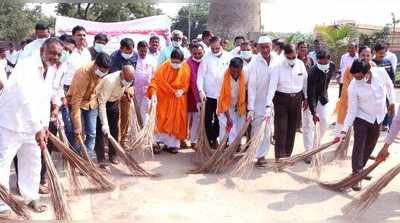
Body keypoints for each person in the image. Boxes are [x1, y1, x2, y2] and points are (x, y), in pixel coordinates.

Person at [0, 38, 64, 216]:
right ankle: (2, 202)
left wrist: (43, 125)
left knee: (33, 161)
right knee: (3, 163)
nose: (55, 57)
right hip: (12, 122)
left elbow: (44, 98)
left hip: (34, 124)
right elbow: (25, 98)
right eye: (52, 52)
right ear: (42, 50)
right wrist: (37, 127)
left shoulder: (50, 69)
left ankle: (30, 197)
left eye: (58, 54)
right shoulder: (26, 65)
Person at [337, 59, 395, 191]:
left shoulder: (380, 72)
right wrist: (343, 131)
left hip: (379, 117)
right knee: (359, 145)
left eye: (359, 76)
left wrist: (392, 102)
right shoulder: (353, 86)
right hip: (362, 117)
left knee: (371, 145)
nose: (357, 79)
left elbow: (390, 85)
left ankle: (360, 170)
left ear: (367, 72)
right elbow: (352, 111)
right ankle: (357, 174)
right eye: (355, 76)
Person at [266, 44, 308, 160]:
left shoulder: (300, 64)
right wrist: (268, 104)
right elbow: (272, 87)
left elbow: (305, 82)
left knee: (292, 128)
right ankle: (279, 157)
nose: (291, 59)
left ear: (296, 54)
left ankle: (287, 155)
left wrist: (306, 97)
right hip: (281, 100)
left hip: (296, 99)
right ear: (284, 55)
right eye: (289, 57)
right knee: (281, 129)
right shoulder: (278, 67)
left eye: (293, 57)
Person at [67, 53, 111, 160]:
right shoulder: (83, 74)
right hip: (78, 103)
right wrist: (77, 125)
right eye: (101, 71)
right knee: (77, 134)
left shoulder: (102, 72)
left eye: (106, 72)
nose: (103, 74)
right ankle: (76, 158)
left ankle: (88, 159)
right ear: (95, 65)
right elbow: (76, 101)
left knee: (92, 133)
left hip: (92, 103)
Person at [148, 48, 191, 154]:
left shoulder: (186, 68)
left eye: (177, 62)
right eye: (173, 61)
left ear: (182, 60)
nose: (174, 64)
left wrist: (182, 91)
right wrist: (153, 94)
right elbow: (155, 81)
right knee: (161, 120)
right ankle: (156, 143)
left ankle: (172, 145)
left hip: (178, 100)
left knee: (175, 121)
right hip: (164, 98)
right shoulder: (164, 67)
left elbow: (187, 84)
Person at [95, 65, 134, 168]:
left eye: (130, 80)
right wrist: (104, 124)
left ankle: (113, 155)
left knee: (114, 129)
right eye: (126, 79)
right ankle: (101, 158)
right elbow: (102, 103)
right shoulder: (110, 81)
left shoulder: (128, 79)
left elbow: (126, 86)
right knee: (100, 131)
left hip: (114, 102)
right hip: (101, 102)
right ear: (121, 74)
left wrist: (127, 91)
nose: (128, 81)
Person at [247, 36, 278, 166]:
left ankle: (262, 155)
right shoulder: (254, 63)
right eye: (262, 47)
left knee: (268, 129)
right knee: (257, 129)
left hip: (274, 101)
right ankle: (257, 154)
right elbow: (252, 87)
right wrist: (251, 107)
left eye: (267, 46)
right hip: (258, 102)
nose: (265, 50)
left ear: (271, 46)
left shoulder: (278, 60)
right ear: (258, 48)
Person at [197, 36, 232, 147]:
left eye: (217, 48)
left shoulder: (229, 57)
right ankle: (211, 140)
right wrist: (201, 90)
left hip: (223, 95)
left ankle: (217, 139)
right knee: (207, 120)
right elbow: (200, 76)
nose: (215, 50)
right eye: (213, 49)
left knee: (219, 120)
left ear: (221, 45)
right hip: (208, 95)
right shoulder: (206, 59)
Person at [302, 50, 335, 163]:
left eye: (326, 63)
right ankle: (308, 152)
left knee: (324, 122)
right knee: (308, 126)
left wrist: (324, 94)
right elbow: (311, 93)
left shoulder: (332, 66)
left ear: (329, 60)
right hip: (312, 100)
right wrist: (314, 112)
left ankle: (315, 147)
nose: (324, 65)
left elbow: (327, 82)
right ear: (317, 61)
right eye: (321, 63)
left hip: (323, 99)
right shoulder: (312, 72)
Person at [336, 46, 375, 131]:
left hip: (368, 110)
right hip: (350, 104)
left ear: (371, 56)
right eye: (363, 55)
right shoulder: (351, 69)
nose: (366, 58)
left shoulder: (375, 69)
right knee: (343, 131)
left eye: (368, 55)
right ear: (359, 55)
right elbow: (346, 92)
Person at [110, 38, 137, 146]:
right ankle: (114, 141)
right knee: (115, 117)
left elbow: (134, 73)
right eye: (127, 51)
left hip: (128, 93)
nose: (129, 54)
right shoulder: (113, 58)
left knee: (126, 117)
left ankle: (123, 141)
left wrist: (132, 87)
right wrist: (125, 88)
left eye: (131, 51)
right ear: (121, 49)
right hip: (115, 91)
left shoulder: (135, 55)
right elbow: (114, 76)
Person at [217, 57, 247, 144]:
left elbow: (247, 90)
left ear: (241, 68)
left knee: (238, 129)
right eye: (233, 71)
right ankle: (223, 148)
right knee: (225, 128)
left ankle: (234, 147)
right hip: (224, 106)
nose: (235, 74)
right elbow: (222, 99)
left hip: (239, 106)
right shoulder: (221, 77)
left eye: (238, 71)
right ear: (229, 67)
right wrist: (228, 117)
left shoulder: (245, 75)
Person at [373, 42, 396, 131]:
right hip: (375, 92)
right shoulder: (372, 63)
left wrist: (390, 89)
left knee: (388, 107)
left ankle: (386, 125)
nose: (382, 55)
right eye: (380, 53)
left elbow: (392, 77)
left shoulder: (388, 62)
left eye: (384, 53)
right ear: (375, 52)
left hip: (386, 91)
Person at [63, 26, 92, 92]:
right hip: (69, 86)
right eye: (79, 35)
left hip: (83, 86)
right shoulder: (67, 52)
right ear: (73, 36)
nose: (82, 37)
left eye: (84, 35)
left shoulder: (87, 52)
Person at [186, 43, 205, 147]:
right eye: (195, 53)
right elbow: (192, 81)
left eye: (200, 53)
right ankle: (183, 139)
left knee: (197, 119)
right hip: (189, 95)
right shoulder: (187, 63)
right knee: (187, 119)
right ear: (191, 53)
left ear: (203, 52)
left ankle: (193, 141)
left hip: (202, 95)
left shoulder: (206, 62)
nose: (197, 55)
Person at [134, 41, 157, 123]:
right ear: (137, 50)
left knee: (145, 112)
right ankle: (136, 132)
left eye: (145, 51)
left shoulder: (152, 60)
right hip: (135, 91)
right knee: (135, 113)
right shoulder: (134, 59)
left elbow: (155, 76)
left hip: (147, 91)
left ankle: (145, 133)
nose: (143, 53)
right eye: (141, 51)